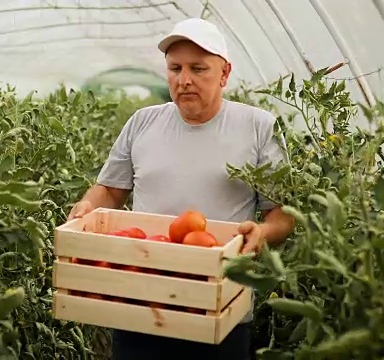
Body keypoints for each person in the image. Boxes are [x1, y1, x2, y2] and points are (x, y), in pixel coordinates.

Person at [66, 17, 295, 360]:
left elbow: (282, 214)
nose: (184, 80)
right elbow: (110, 190)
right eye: (175, 68)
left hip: (218, 312)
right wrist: (86, 207)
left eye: (198, 68)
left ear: (224, 73)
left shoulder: (257, 127)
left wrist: (261, 233)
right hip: (141, 307)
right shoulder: (142, 122)